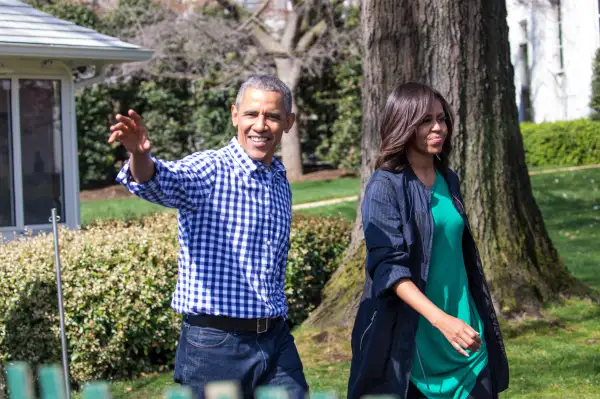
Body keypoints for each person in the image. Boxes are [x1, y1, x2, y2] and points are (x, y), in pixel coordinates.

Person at [108, 75, 309, 398]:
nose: (260, 125)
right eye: (251, 114)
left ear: (288, 122)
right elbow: (162, 182)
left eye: (272, 116)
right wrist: (141, 155)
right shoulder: (210, 170)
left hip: (275, 336)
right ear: (234, 115)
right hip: (215, 345)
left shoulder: (278, 176)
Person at [347, 82, 509, 399]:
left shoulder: (449, 179)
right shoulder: (385, 186)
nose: (438, 127)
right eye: (425, 120)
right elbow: (388, 270)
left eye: (442, 118)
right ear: (403, 124)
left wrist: (457, 321)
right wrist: (441, 321)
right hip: (417, 343)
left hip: (467, 334)